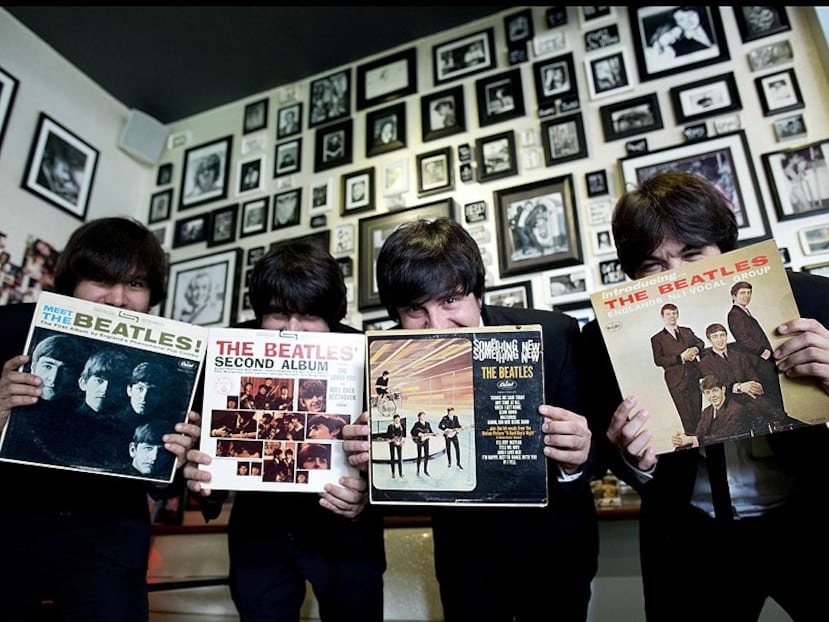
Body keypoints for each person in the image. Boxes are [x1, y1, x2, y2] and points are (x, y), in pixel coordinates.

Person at [583, 170, 829, 621]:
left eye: (693, 254)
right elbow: (604, 446)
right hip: (690, 535)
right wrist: (635, 462)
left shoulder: (816, 302)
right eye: (653, 267)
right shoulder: (604, 340)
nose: (676, 277)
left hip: (814, 522)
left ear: (726, 252)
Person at [343, 217, 597, 621]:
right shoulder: (385, 362)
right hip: (465, 563)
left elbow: (599, 451)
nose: (437, 324)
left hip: (557, 554)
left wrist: (578, 456)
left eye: (449, 301)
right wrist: (366, 467)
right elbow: (394, 489)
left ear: (477, 293)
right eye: (414, 310)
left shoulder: (555, 334)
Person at [0, 217, 200, 621]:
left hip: (110, 545)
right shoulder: (8, 327)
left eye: (136, 285)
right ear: (72, 281)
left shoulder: (170, 363)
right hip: (8, 534)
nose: (118, 299)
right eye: (102, 280)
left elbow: (164, 484)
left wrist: (180, 454)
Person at [183, 241, 385, 622]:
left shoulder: (366, 354)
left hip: (347, 541)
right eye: (277, 313)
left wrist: (370, 494)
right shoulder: (226, 349)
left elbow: (394, 457)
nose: (292, 331)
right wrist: (200, 476)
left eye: (308, 315)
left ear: (331, 314)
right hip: (260, 541)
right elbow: (204, 463)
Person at [727, 281, 786, 415]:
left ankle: (781, 418)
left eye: (749, 293)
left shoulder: (744, 312)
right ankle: (779, 420)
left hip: (761, 360)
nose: (746, 296)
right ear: (733, 296)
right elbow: (743, 339)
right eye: (742, 293)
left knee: (774, 392)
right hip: (757, 361)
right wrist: (764, 353)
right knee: (771, 393)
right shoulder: (735, 314)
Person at [650, 303, 704, 435]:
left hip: (693, 376)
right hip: (676, 381)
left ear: (677, 314)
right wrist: (681, 358)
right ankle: (692, 440)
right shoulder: (657, 338)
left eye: (674, 313)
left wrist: (696, 349)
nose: (672, 316)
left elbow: (700, 343)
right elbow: (659, 360)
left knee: (698, 411)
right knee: (686, 416)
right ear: (662, 317)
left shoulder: (686, 331)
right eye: (668, 314)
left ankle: (702, 439)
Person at [410, 410, 433, 477]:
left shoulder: (427, 423)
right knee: (419, 456)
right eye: (422, 416)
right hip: (419, 442)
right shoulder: (416, 424)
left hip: (426, 441)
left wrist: (434, 434)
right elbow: (412, 432)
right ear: (419, 417)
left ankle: (425, 470)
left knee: (426, 456)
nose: (423, 417)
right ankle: (418, 471)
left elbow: (431, 431)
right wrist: (419, 434)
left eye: (424, 415)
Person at [386, 413, 405, 478]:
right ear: (394, 420)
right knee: (392, 458)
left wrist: (402, 440)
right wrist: (392, 439)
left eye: (398, 419)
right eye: (396, 419)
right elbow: (387, 435)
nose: (397, 420)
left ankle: (400, 473)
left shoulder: (402, 426)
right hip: (392, 443)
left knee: (400, 458)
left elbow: (404, 435)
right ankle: (393, 473)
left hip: (399, 443)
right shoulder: (390, 426)